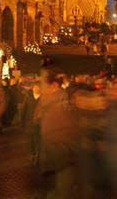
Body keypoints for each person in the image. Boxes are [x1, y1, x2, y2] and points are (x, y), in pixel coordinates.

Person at [35, 67, 78, 199]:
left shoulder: (64, 104)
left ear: (54, 86)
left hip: (61, 159)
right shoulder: (45, 102)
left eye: (43, 84)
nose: (40, 87)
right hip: (49, 158)